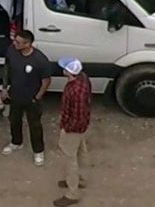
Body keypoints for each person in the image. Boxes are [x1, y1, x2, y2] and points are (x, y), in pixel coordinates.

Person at [0, 29, 52, 166]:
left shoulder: (40, 60)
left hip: (32, 99)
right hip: (15, 95)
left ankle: (38, 151)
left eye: (18, 42)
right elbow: (7, 68)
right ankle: (16, 142)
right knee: (14, 120)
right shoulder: (12, 51)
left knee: (34, 125)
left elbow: (46, 81)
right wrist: (4, 88)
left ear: (27, 44)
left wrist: (37, 97)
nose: (14, 43)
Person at [53, 57, 92, 207]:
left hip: (73, 128)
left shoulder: (74, 90)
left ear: (68, 71)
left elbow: (77, 114)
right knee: (81, 151)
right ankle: (81, 179)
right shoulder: (83, 80)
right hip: (81, 127)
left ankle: (72, 193)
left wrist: (66, 127)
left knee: (70, 158)